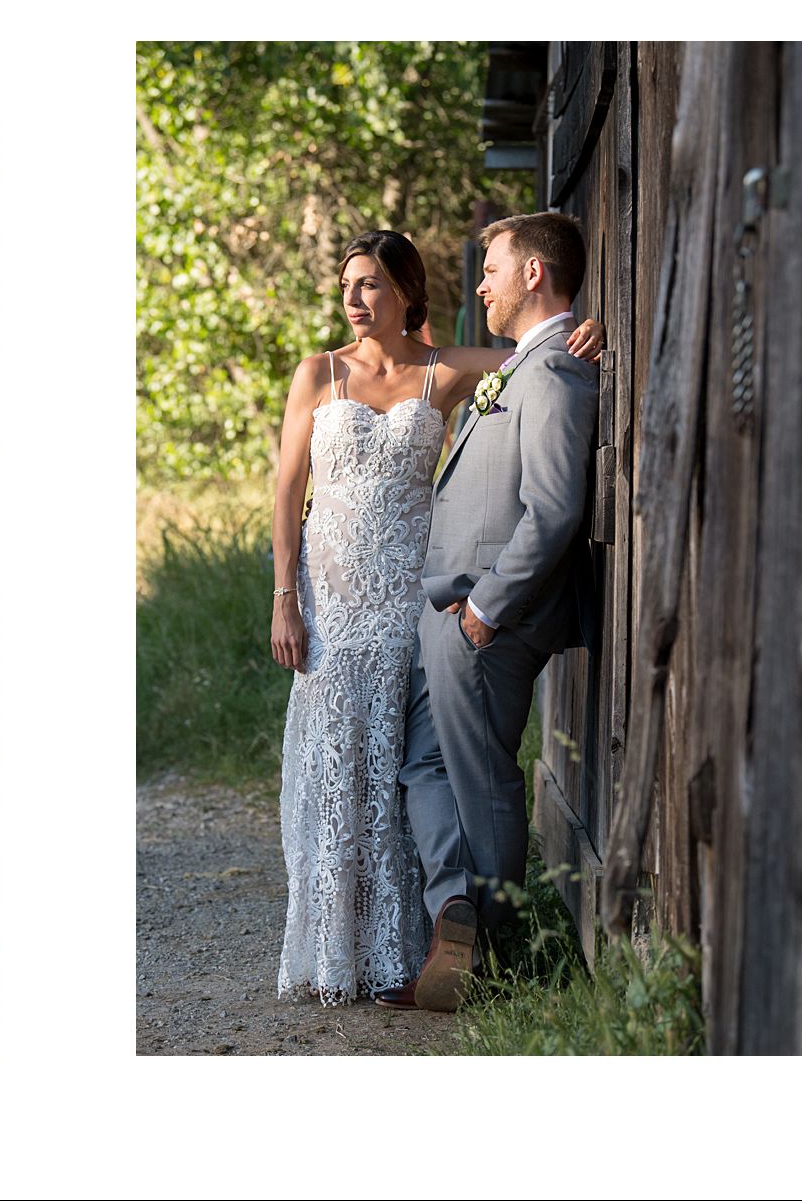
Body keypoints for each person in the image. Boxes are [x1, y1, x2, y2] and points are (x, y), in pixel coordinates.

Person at [271, 228, 599, 1008]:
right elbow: (287, 491)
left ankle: (418, 943)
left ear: (406, 293)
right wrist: (284, 596)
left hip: (408, 602)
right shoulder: (317, 373)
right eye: (348, 285)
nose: (354, 299)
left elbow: (531, 362)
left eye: (371, 285)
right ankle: (337, 945)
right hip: (332, 603)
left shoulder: (443, 370)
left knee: (404, 768)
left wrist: (594, 328)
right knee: (336, 769)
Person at [397, 212, 599, 1011]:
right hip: (447, 614)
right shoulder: (525, 364)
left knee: (481, 782)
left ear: (535, 274)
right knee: (423, 761)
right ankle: (457, 909)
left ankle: (501, 953)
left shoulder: (554, 372)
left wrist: (485, 605)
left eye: (491, 267)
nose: (480, 282)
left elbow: (553, 510)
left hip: (485, 617)